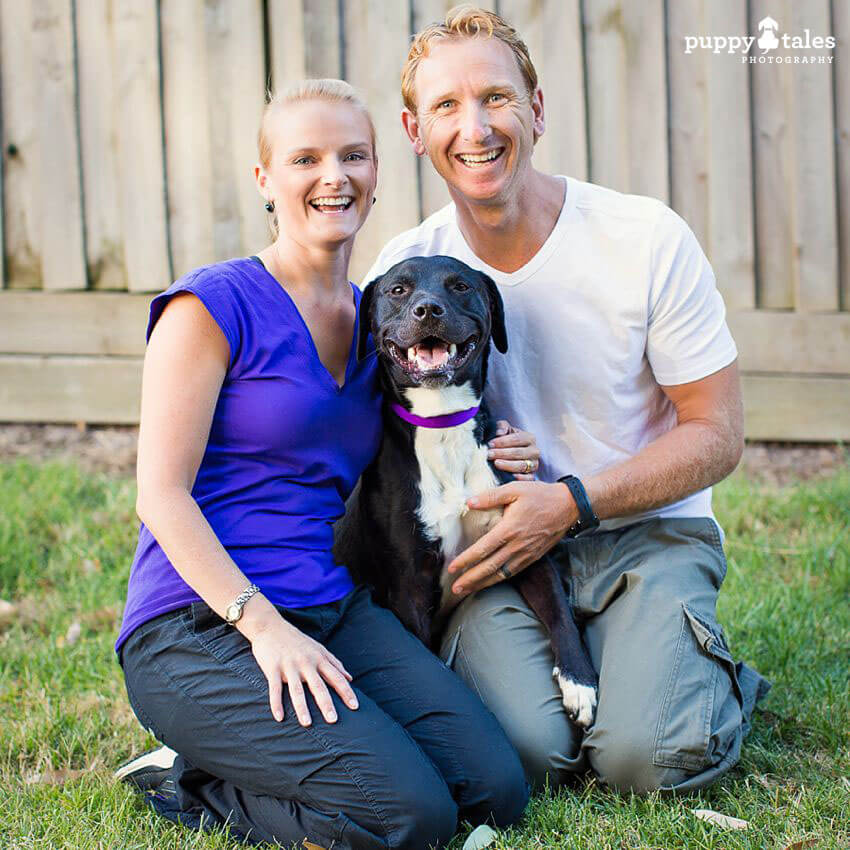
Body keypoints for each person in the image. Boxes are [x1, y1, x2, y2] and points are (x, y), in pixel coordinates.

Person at [112, 79, 534, 850]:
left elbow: (433, 422)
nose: (333, 176)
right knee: (413, 818)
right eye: (305, 158)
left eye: (353, 155)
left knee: (497, 790)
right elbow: (160, 495)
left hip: (329, 608)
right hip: (199, 625)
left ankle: (260, 756)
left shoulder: (383, 319)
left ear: (376, 174)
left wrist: (502, 447)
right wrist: (263, 626)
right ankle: (192, 778)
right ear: (266, 180)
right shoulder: (209, 306)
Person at [363, 6, 771, 794]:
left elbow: (717, 434)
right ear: (416, 133)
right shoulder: (409, 272)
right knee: (524, 756)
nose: (474, 127)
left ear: (537, 111)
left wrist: (570, 500)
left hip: (645, 535)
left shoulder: (643, 238)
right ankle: (612, 685)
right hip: (498, 555)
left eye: (496, 98)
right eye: (446, 106)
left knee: (643, 758)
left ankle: (703, 683)